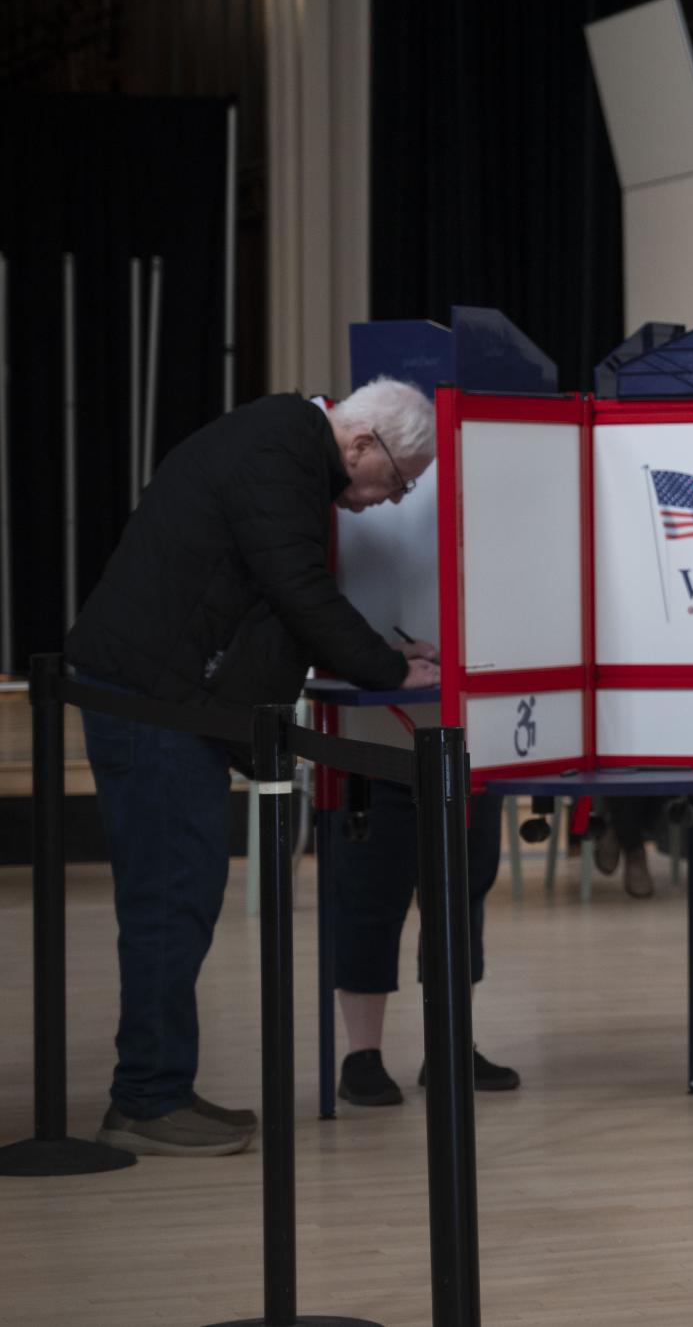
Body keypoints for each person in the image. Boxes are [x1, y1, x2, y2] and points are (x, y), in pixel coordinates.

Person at [67, 380, 441, 1158]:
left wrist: (377, 651)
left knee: (181, 894)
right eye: (399, 481)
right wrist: (382, 668)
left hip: (161, 695)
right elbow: (295, 588)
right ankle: (146, 1099)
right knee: (173, 897)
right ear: (362, 444)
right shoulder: (280, 452)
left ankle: (158, 1086)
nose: (388, 500)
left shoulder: (282, 447)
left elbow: (280, 591)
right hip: (155, 703)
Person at [332, 786, 520, 1106]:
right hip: (372, 755)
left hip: (469, 757)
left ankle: (451, 1049)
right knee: (370, 889)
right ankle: (362, 1055)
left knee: (461, 898)